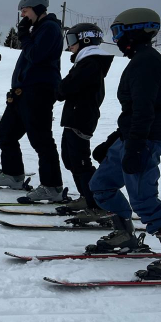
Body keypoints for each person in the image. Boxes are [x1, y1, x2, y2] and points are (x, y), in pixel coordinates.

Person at [86, 9, 161, 279]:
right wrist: (113, 141)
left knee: (143, 200)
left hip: (144, 140)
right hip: (130, 138)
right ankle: (124, 234)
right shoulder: (140, 60)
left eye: (118, 32)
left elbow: (145, 111)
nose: (116, 39)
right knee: (101, 185)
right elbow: (133, 111)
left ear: (134, 32)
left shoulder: (146, 63)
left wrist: (135, 148)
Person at [0, 0, 64, 201]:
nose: (22, 16)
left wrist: (24, 36)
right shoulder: (38, 29)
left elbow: (36, 56)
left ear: (38, 9)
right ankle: (13, 175)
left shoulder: (50, 28)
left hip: (39, 91)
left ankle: (52, 187)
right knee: (6, 134)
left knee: (41, 139)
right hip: (22, 93)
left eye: (25, 11)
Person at [54, 23, 113, 218]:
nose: (69, 45)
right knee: (70, 159)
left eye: (72, 40)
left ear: (86, 39)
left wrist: (60, 89)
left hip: (81, 118)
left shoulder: (90, 63)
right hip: (74, 116)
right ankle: (86, 196)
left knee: (80, 162)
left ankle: (97, 204)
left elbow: (67, 87)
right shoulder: (85, 62)